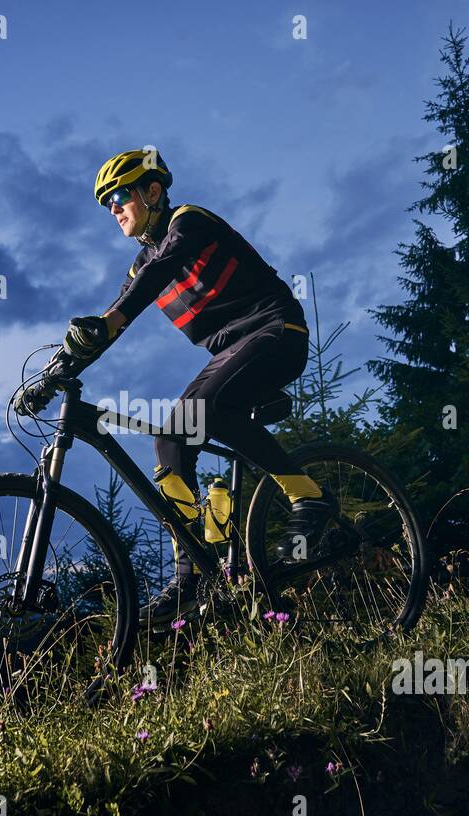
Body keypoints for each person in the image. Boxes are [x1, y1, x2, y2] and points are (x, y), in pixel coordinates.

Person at [62, 148, 337, 624]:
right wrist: (61, 368)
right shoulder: (140, 266)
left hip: (275, 331)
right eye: (106, 201)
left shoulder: (188, 221)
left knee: (198, 414)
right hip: (231, 353)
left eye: (120, 195)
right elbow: (120, 313)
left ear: (152, 192)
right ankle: (193, 574)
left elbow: (157, 273)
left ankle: (308, 495)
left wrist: (108, 321)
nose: (112, 208)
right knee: (169, 438)